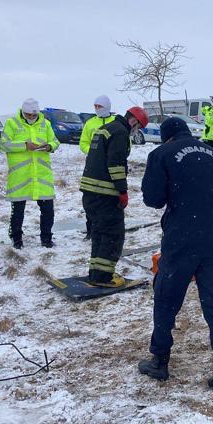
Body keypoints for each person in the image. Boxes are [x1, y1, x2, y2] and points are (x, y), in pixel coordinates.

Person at [137, 117, 213, 392]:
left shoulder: (161, 154)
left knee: (166, 299)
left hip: (183, 237)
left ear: (166, 137)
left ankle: (159, 361)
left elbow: (153, 199)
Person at [80, 106, 148, 287]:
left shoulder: (106, 128)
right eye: (139, 127)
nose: (137, 131)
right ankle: (103, 277)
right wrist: (122, 191)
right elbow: (115, 164)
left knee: (99, 233)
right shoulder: (119, 133)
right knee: (112, 235)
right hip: (105, 194)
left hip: (90, 192)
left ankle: (96, 273)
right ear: (134, 121)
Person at [0, 98, 60, 249]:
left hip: (41, 175)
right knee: (18, 211)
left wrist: (49, 146)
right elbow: (4, 144)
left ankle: (46, 238)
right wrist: (24, 145)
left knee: (48, 210)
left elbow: (55, 141)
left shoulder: (45, 124)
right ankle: (16, 238)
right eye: (29, 115)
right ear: (23, 111)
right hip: (21, 175)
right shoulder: (12, 123)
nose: (32, 117)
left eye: (34, 115)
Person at [79, 95, 115, 240]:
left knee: (108, 199)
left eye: (99, 106)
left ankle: (107, 229)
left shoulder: (115, 122)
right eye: (95, 106)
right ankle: (90, 230)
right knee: (91, 198)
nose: (97, 109)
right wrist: (95, 153)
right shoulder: (90, 123)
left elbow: (125, 143)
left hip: (110, 166)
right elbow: (83, 143)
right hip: (93, 167)